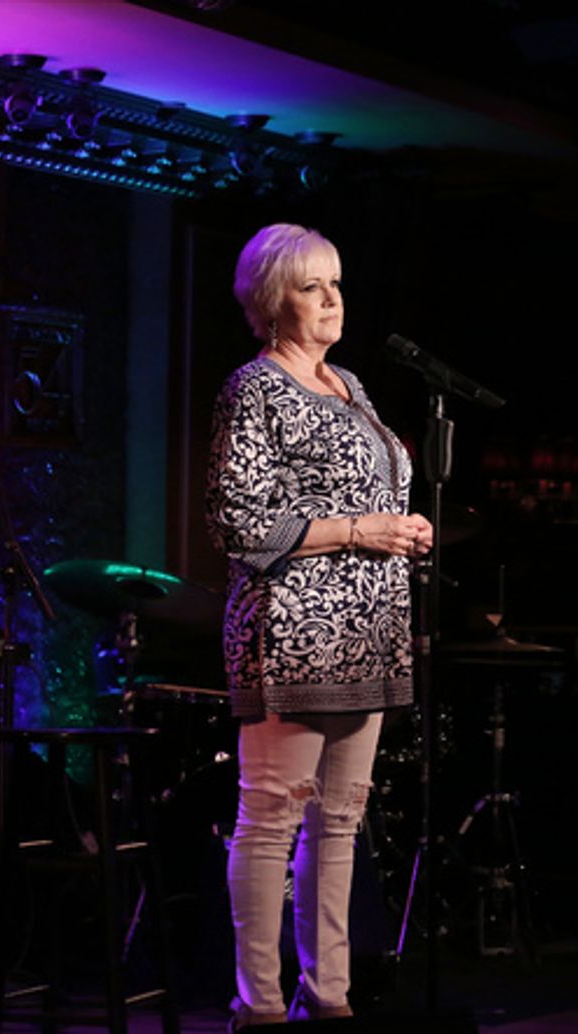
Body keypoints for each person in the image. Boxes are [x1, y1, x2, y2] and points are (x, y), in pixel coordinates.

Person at [206, 223, 432, 1027]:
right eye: (312, 287)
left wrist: (401, 528)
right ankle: (260, 1006)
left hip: (367, 634)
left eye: (336, 283)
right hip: (294, 635)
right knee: (272, 823)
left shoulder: (351, 384)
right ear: (273, 302)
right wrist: (362, 530)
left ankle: (328, 998)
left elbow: (369, 493)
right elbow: (236, 520)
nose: (332, 300)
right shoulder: (254, 389)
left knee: (341, 824)